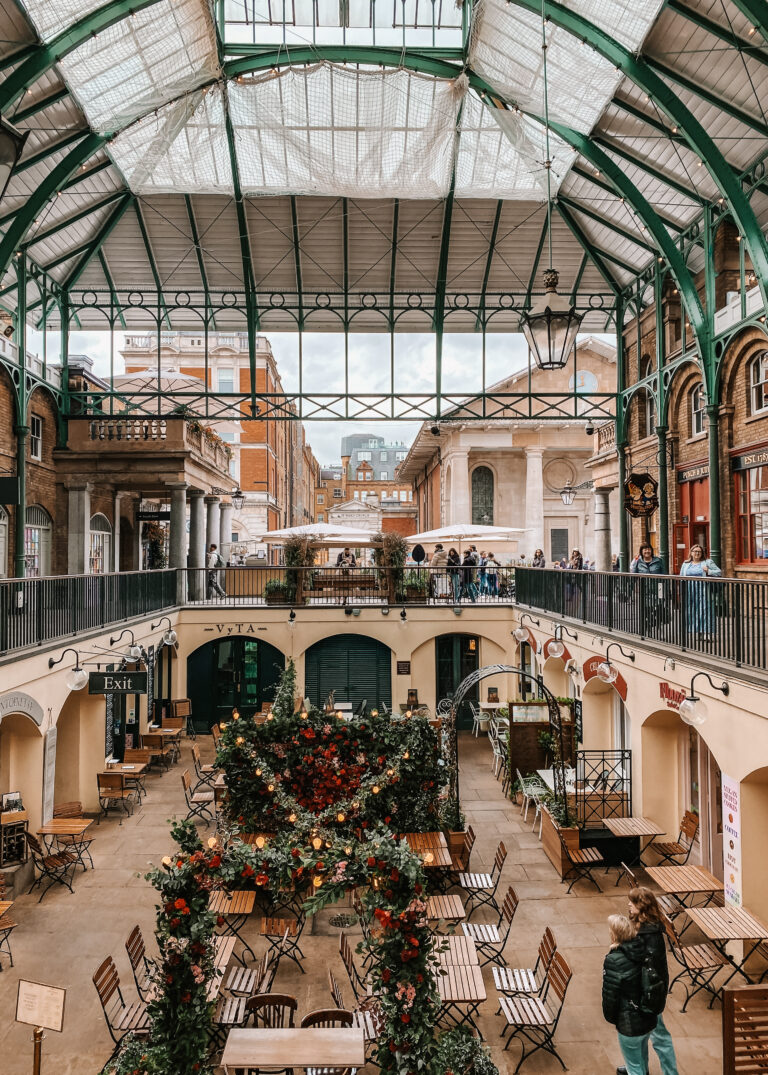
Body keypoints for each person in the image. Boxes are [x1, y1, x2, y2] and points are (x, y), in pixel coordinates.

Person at [620, 887, 680, 1075]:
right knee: (645, 1035)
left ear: (642, 906)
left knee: (659, 1037)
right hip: (649, 995)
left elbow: (651, 973)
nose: (629, 904)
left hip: (649, 997)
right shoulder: (646, 928)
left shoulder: (648, 936)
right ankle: (640, 1067)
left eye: (633, 902)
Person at [602, 914, 659, 1075]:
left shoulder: (613, 960)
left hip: (629, 1022)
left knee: (634, 1066)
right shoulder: (642, 949)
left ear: (615, 934)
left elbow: (610, 995)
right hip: (647, 1016)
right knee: (641, 1053)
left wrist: (613, 1018)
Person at [680, 543, 721, 635]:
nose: (697, 553)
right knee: (692, 610)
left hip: (703, 590)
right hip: (690, 591)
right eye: (695, 551)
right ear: (691, 553)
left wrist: (708, 571)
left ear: (702, 553)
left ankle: (707, 632)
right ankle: (697, 631)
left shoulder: (708, 562)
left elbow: (719, 572)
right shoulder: (685, 564)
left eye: (699, 552)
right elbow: (681, 577)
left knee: (705, 610)